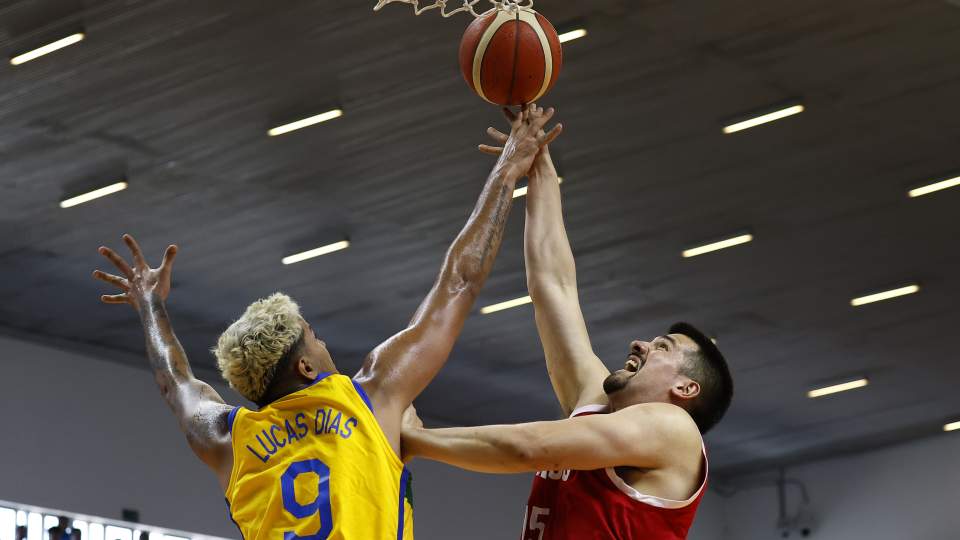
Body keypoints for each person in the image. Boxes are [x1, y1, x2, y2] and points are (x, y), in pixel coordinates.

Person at [92, 104, 562, 540]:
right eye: (314, 337)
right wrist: (508, 168)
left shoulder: (229, 439)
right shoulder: (369, 397)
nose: (324, 342)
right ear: (306, 368)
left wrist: (150, 305)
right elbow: (459, 282)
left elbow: (175, 384)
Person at [401, 124, 734, 540]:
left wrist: (417, 440)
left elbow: (529, 447)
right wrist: (536, 163)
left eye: (662, 347)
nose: (640, 343)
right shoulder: (596, 403)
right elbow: (552, 285)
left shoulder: (673, 429)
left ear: (685, 389)